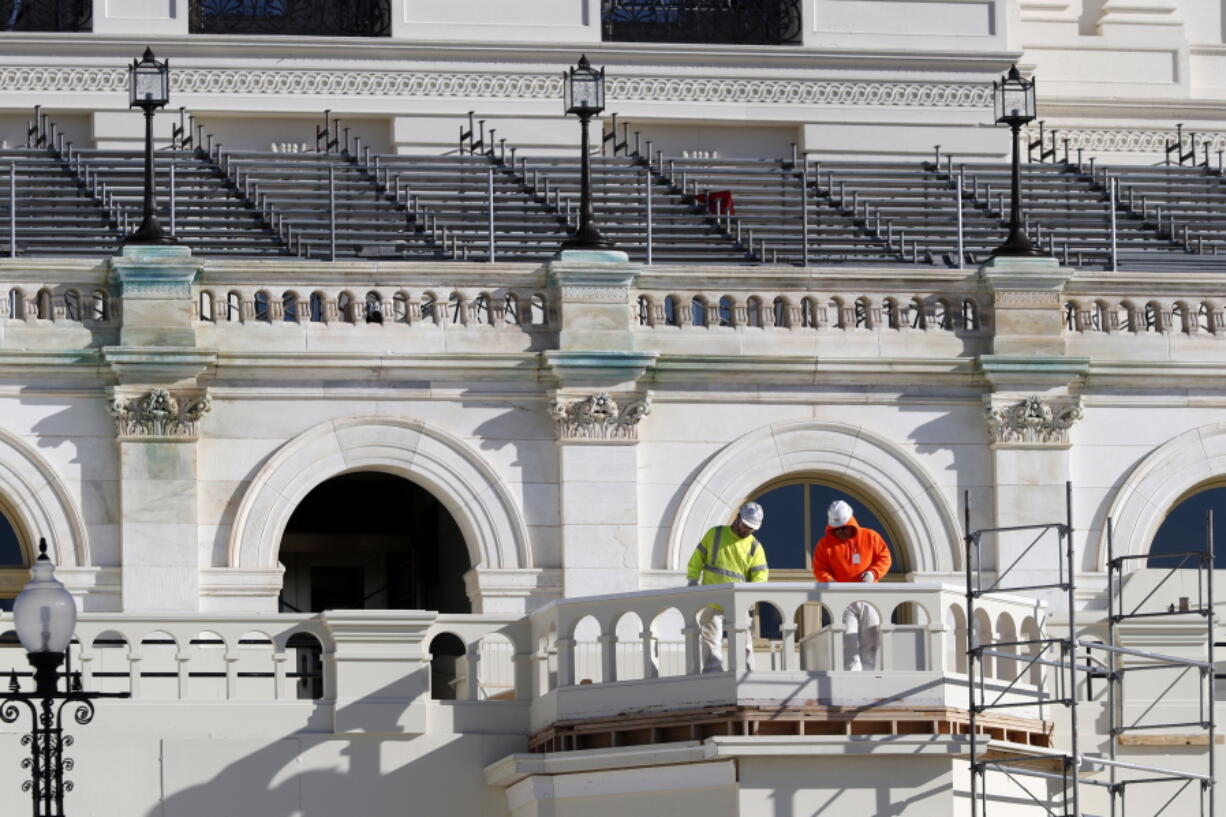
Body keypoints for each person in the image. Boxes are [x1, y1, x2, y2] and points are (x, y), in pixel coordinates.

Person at [685, 501, 768, 673]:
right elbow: (696, 560)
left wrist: (751, 595)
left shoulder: (754, 546)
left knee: (744, 645)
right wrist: (692, 579)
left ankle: (747, 677)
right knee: (711, 644)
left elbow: (761, 576)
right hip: (713, 602)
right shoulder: (715, 535)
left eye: (751, 528)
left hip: (739, 604)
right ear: (738, 518)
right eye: (746, 526)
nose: (747, 530)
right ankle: (712, 679)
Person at [812, 500, 892, 671]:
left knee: (871, 642)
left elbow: (884, 557)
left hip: (869, 598)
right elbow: (819, 569)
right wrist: (829, 581)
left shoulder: (870, 537)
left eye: (844, 527)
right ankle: (852, 681)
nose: (840, 532)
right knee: (849, 643)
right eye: (837, 529)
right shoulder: (824, 545)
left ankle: (870, 681)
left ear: (851, 523)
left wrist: (873, 573)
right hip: (844, 601)